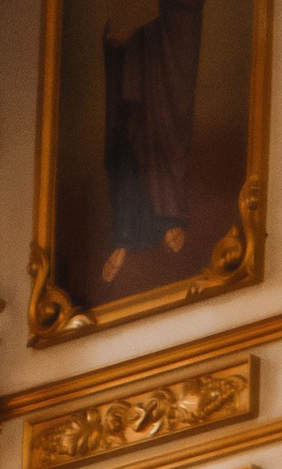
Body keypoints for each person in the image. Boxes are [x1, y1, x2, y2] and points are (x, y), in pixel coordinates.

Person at [99, 0, 205, 292]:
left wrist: (144, 21)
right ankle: (124, 237)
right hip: (132, 62)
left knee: (161, 136)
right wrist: (117, 35)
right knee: (127, 146)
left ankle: (168, 219)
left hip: (161, 60)